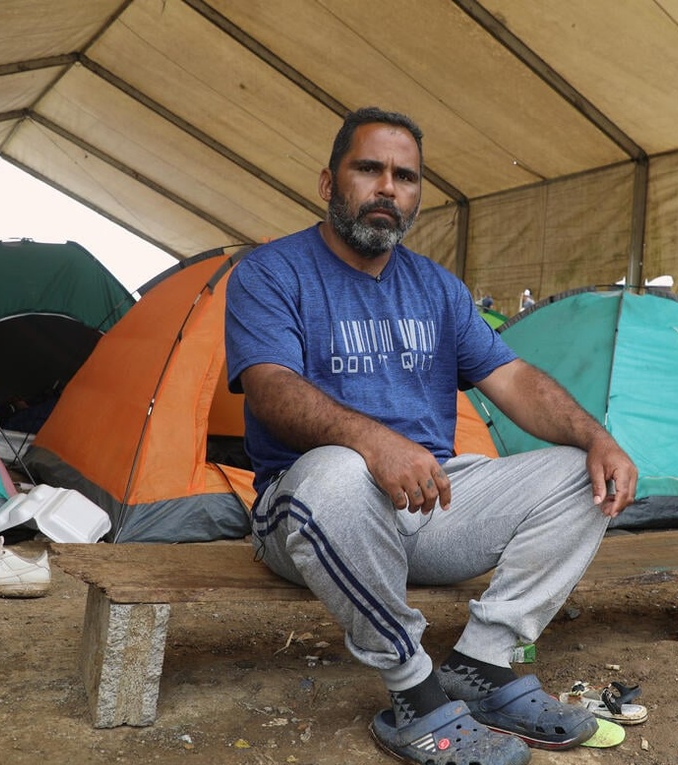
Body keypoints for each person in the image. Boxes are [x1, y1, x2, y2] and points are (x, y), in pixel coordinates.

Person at [224, 107, 638, 765]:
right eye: (370, 170)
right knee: (337, 471)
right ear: (329, 184)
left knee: (581, 474)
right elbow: (270, 388)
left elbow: (514, 378)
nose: (388, 188)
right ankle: (415, 696)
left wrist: (598, 436)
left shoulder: (437, 288)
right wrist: (373, 442)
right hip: (311, 515)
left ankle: (485, 665)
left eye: (406, 177)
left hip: (427, 502)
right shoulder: (271, 272)